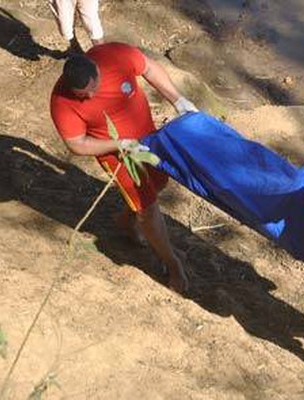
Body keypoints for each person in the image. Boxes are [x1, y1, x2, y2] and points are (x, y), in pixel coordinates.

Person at [50, 42, 198, 293]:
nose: (88, 97)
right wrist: (118, 145)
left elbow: (149, 68)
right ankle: (172, 264)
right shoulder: (61, 101)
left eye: (91, 90)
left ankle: (125, 222)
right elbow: (77, 144)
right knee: (148, 208)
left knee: (161, 182)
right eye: (81, 95)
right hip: (116, 154)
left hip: (148, 139)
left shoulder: (114, 56)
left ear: (97, 71)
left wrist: (179, 100)